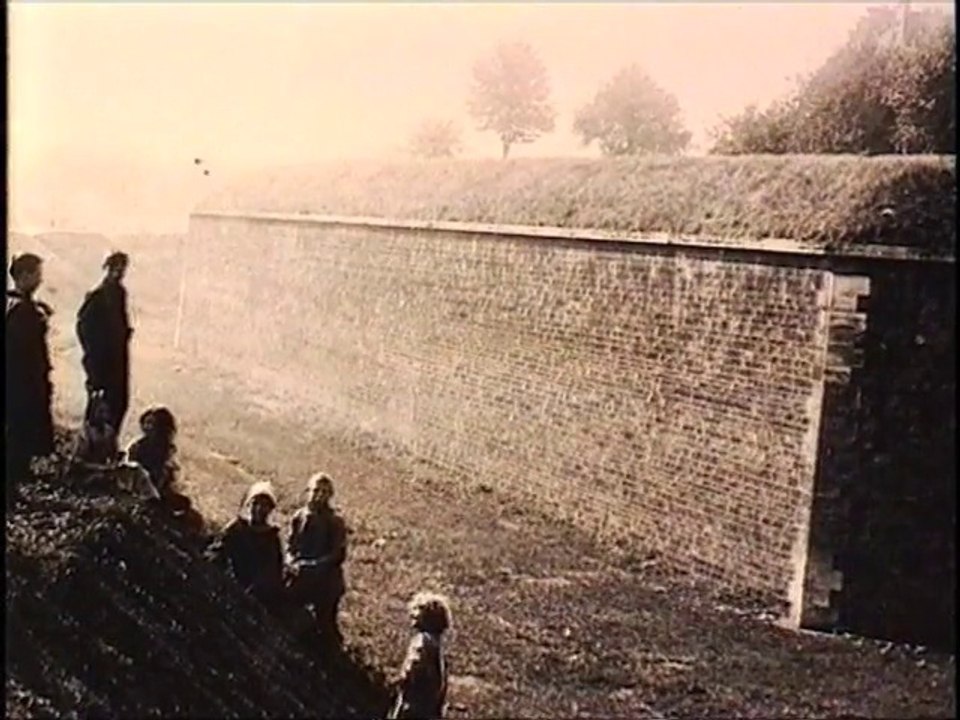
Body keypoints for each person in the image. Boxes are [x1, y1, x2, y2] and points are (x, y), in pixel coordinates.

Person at [6, 253, 56, 489]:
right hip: (23, 381)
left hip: (18, 379)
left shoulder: (17, 305)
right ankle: (14, 479)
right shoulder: (23, 312)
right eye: (37, 274)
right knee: (20, 428)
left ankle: (18, 475)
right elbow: (27, 353)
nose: (40, 280)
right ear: (24, 276)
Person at [285, 472, 348, 643]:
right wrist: (291, 560)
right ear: (308, 491)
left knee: (326, 622)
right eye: (316, 491)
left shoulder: (335, 521)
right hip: (301, 574)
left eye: (325, 492)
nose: (319, 496)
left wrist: (312, 565)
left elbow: (337, 555)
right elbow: (290, 545)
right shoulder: (299, 517)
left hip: (326, 579)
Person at [76, 251, 133, 434]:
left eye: (122, 268)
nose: (119, 272)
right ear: (108, 268)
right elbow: (83, 326)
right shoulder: (97, 296)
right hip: (101, 365)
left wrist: (123, 334)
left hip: (118, 362)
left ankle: (109, 447)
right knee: (98, 409)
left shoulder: (120, 293)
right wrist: (93, 354)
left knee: (118, 405)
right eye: (115, 268)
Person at [207, 481, 285, 608]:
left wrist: (255, 590)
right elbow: (218, 550)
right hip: (233, 585)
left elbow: (273, 572)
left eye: (265, 505)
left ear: (270, 509)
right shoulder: (236, 528)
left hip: (260, 595)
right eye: (255, 503)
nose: (259, 509)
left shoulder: (271, 537)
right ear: (249, 505)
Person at [126, 406, 201, 529]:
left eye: (152, 424)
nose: (147, 427)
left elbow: (169, 478)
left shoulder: (166, 449)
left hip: (160, 491)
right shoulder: (136, 448)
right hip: (141, 492)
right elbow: (130, 473)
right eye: (146, 423)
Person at [387, 592, 452, 720]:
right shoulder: (437, 644)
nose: (413, 615)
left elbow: (413, 666)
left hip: (415, 701)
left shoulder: (422, 641)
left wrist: (401, 680)